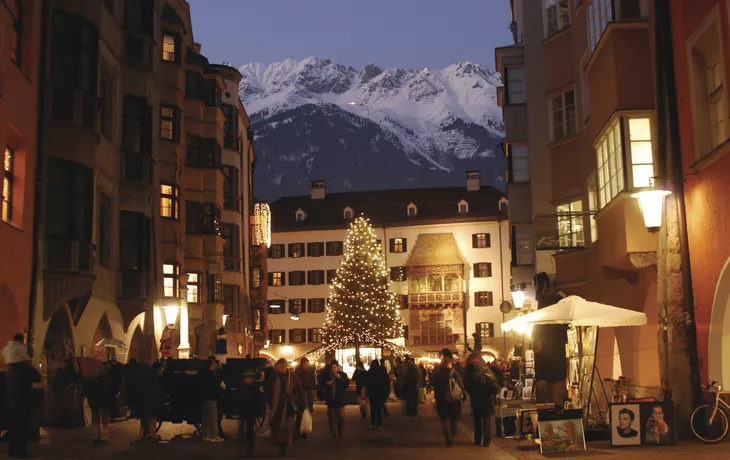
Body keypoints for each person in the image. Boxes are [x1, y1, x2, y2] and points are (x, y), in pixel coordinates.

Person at [532, 272, 568, 407]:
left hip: (547, 345)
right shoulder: (558, 300)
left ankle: (548, 409)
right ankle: (556, 408)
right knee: (556, 381)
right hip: (555, 344)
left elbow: (538, 328)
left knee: (547, 382)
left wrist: (536, 339)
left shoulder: (542, 303)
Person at [2, 333, 38, 458]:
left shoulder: (10, 368)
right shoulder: (23, 366)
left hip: (11, 399)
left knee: (13, 424)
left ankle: (12, 449)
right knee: (22, 425)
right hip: (23, 400)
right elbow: (36, 376)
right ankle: (21, 451)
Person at [265, 359, 305, 456]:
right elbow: (268, 389)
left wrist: (302, 403)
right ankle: (281, 445)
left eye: (279, 366)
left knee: (288, 426)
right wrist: (270, 403)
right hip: (277, 406)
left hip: (289, 405)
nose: (277, 368)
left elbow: (299, 389)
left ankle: (284, 446)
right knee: (279, 426)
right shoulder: (273, 376)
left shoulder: (292, 376)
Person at [431, 348, 466, 447]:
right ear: (450, 363)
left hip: (442, 399)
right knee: (454, 419)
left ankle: (448, 438)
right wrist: (463, 395)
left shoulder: (438, 373)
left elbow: (434, 384)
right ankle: (452, 434)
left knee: (444, 419)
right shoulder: (454, 373)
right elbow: (461, 384)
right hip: (454, 399)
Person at [464, 353, 500, 447]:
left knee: (477, 419)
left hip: (475, 397)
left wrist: (471, 392)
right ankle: (487, 440)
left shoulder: (468, 369)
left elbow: (466, 384)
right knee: (486, 418)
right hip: (486, 396)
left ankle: (478, 439)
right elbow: (493, 381)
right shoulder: (485, 368)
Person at [239, 368, 264, 456]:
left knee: (249, 428)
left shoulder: (254, 388)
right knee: (242, 426)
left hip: (251, 411)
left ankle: (249, 448)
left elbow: (258, 400)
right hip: (244, 409)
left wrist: (257, 411)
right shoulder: (243, 387)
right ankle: (242, 441)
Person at [323, 360, 350, 438]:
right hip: (331, 400)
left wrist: (340, 378)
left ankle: (340, 431)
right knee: (331, 418)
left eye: (334, 367)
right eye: (332, 367)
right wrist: (327, 384)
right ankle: (333, 433)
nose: (333, 369)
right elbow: (321, 386)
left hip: (340, 399)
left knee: (341, 417)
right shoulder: (327, 376)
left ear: (337, 367)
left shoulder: (342, 375)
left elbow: (346, 385)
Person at [200, 359, 224, 442]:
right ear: (211, 365)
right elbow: (214, 387)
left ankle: (206, 435)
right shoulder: (211, 376)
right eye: (213, 364)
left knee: (205, 418)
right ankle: (213, 435)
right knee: (212, 418)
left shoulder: (203, 375)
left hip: (204, 398)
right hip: (211, 398)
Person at [294, 357, 315, 439]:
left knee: (307, 412)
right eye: (305, 364)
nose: (306, 365)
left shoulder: (310, 372)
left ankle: (304, 431)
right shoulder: (298, 372)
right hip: (300, 394)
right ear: (301, 364)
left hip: (308, 394)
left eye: (307, 364)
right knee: (300, 413)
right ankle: (298, 431)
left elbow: (313, 383)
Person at [365, 359, 389, 429]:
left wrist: (367, 392)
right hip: (380, 392)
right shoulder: (382, 372)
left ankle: (373, 423)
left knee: (373, 408)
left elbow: (368, 383)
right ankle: (379, 424)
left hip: (372, 393)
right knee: (379, 409)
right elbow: (386, 382)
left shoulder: (370, 372)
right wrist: (386, 392)